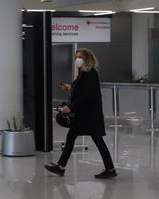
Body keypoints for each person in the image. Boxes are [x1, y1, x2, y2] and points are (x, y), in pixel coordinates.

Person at [45, 48, 116, 179]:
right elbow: (82, 89)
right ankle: (61, 166)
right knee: (73, 137)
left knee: (96, 140)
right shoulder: (83, 73)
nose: (78, 59)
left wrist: (70, 107)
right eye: (76, 57)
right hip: (86, 115)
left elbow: (87, 95)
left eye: (80, 57)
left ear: (87, 58)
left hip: (89, 115)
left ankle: (110, 169)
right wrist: (70, 87)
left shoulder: (90, 73)